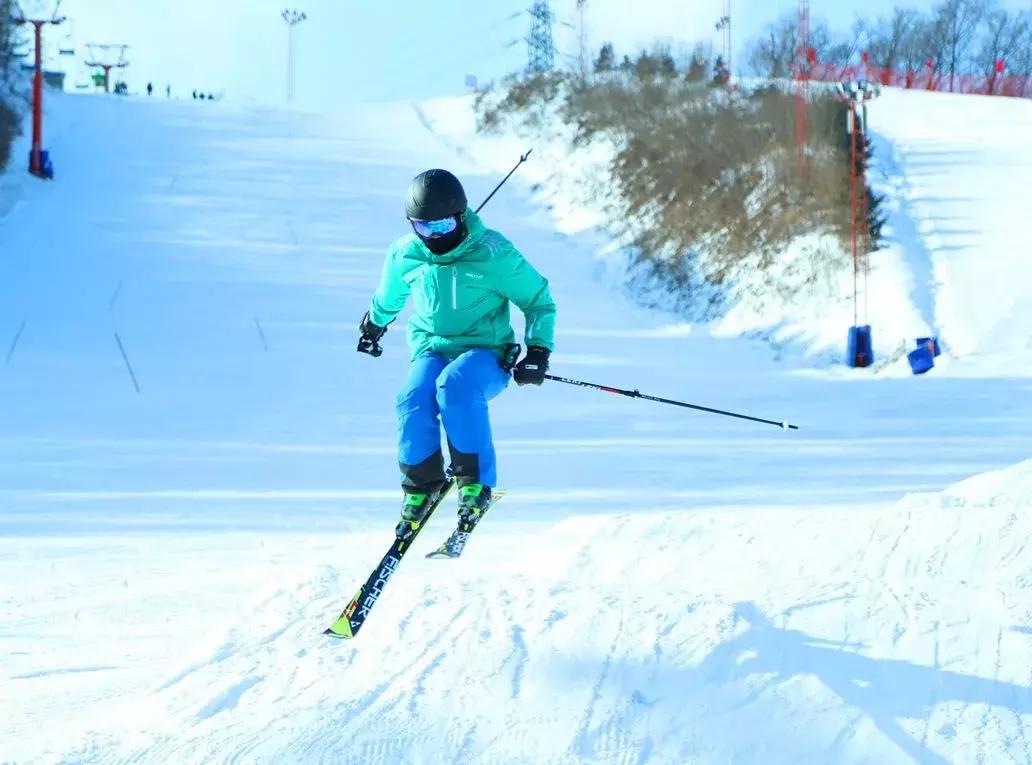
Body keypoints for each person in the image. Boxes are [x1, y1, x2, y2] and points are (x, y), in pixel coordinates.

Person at [359, 169, 555, 539]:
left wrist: (538, 350)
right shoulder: (406, 252)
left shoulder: (493, 253)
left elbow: (538, 300)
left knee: (455, 386)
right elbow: (389, 296)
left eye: (443, 226)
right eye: (424, 227)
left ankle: (475, 485)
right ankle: (420, 486)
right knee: (413, 397)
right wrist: (374, 324)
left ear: (461, 216)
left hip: (486, 352)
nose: (434, 237)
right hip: (432, 349)